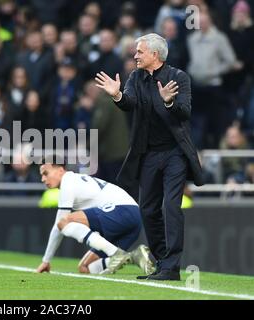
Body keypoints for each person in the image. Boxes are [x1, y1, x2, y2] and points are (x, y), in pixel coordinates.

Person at [95, 33, 204, 280]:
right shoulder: (136, 77)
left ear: (154, 55)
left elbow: (185, 112)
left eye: (140, 52)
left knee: (171, 206)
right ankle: (164, 262)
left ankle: (172, 267)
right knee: (147, 208)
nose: (135, 56)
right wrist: (117, 95)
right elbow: (130, 103)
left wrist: (168, 103)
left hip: (175, 153)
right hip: (150, 154)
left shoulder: (179, 78)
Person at [36, 157, 155, 276]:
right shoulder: (74, 180)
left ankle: (116, 253)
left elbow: (60, 225)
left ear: (61, 170)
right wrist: (46, 261)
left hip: (124, 210)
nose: (43, 179)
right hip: (131, 217)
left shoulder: (67, 181)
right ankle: (133, 257)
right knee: (85, 267)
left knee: (64, 221)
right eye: (42, 175)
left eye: (46, 173)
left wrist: (46, 260)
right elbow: (59, 227)